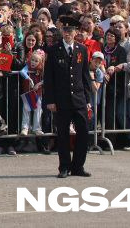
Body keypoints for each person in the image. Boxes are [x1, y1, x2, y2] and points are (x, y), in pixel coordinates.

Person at [43, 14, 94, 179]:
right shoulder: (54, 50)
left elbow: (85, 75)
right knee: (63, 134)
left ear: (75, 32)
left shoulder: (82, 49)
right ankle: (64, 166)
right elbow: (48, 78)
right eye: (65, 30)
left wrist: (88, 100)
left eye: (70, 30)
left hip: (79, 98)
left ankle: (78, 165)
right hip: (62, 99)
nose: (67, 33)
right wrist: (50, 100)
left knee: (84, 132)